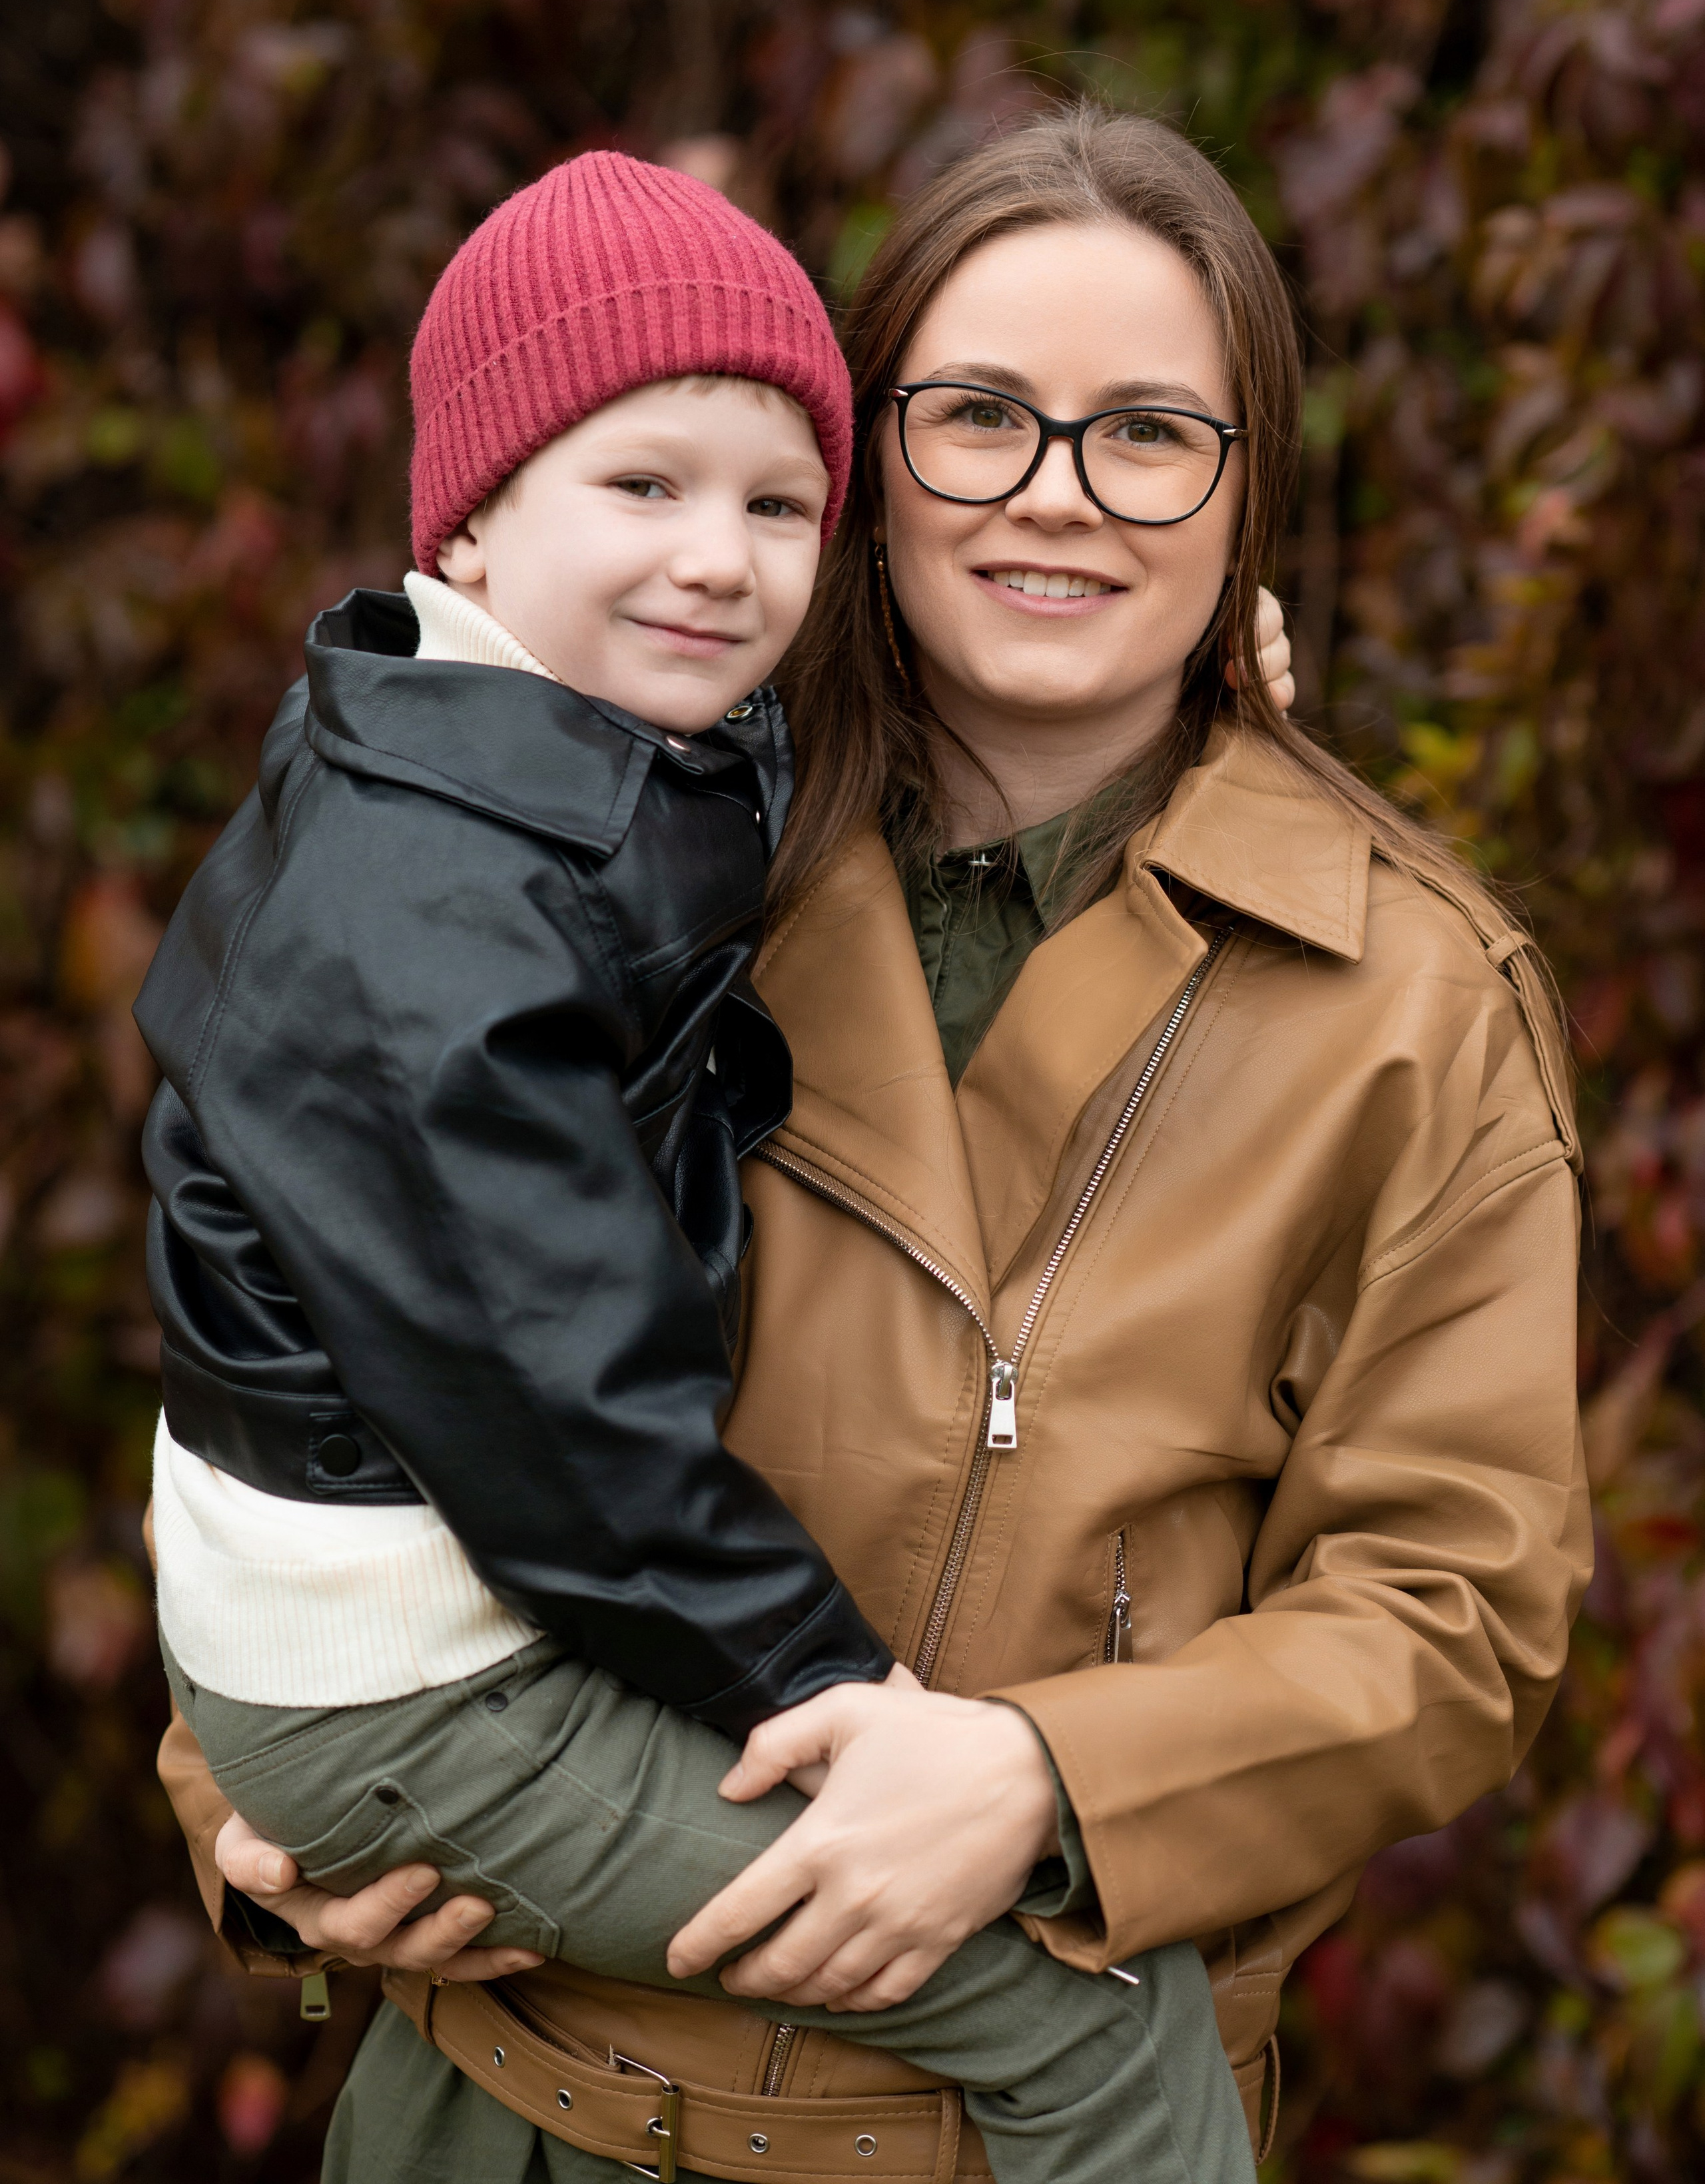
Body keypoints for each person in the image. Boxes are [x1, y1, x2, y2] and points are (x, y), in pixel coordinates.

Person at [159, 105, 1586, 2184]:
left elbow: (1455, 1606)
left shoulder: (1415, 999)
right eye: (978, 418)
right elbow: (340, 1300)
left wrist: (1047, 1779)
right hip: (521, 2118)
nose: (1058, 499)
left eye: (1152, 434)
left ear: (1248, 482)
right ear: (873, 471)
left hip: (1010, 2137)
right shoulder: (628, 848)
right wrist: (238, 1808)